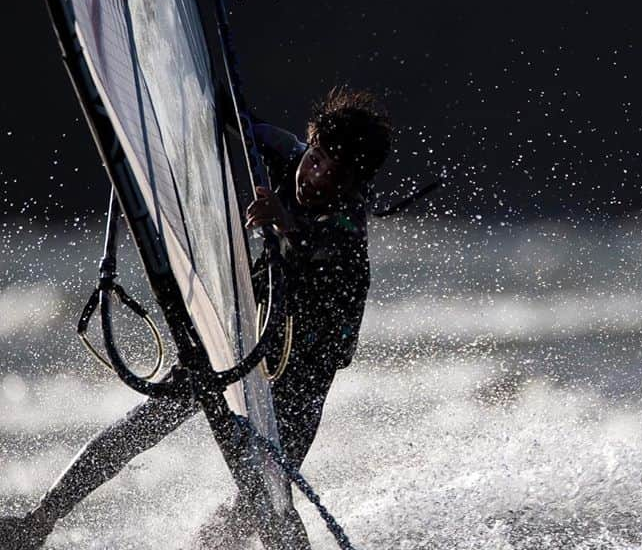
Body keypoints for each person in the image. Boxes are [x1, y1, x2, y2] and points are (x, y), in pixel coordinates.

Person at [0, 87, 392, 549]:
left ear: (354, 183)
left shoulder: (348, 222)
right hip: (249, 336)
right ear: (311, 144)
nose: (318, 177)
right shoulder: (284, 151)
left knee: (262, 501)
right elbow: (231, 121)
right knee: (149, 419)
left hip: (305, 373)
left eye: (337, 174)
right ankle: (38, 521)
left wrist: (284, 221)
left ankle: (212, 541)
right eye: (319, 159)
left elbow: (316, 244)